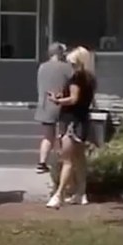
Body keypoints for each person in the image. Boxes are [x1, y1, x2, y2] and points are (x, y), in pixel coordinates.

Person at [46, 45, 97, 209]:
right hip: (82, 120)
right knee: (79, 159)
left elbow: (74, 99)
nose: (70, 66)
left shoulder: (76, 78)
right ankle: (81, 193)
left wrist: (58, 101)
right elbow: (81, 98)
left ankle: (58, 194)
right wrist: (63, 96)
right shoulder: (90, 79)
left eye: (72, 62)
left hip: (71, 121)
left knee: (66, 159)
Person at [33, 42, 73, 174]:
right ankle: (62, 160)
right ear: (60, 52)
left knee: (47, 136)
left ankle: (42, 162)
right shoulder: (66, 68)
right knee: (62, 134)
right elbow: (73, 83)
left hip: (45, 105)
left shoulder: (42, 67)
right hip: (61, 105)